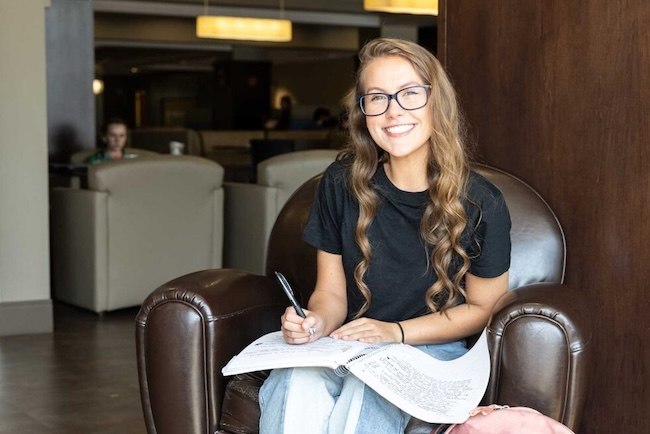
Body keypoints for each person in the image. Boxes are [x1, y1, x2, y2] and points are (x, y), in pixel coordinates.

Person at [259, 37, 512, 434]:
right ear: (363, 112)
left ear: (436, 103)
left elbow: (483, 308)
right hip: (350, 342)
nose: (393, 112)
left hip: (430, 348)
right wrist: (315, 323)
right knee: (292, 380)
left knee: (366, 391)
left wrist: (393, 333)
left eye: (409, 93)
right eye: (377, 98)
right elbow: (331, 294)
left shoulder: (481, 202)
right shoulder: (340, 183)